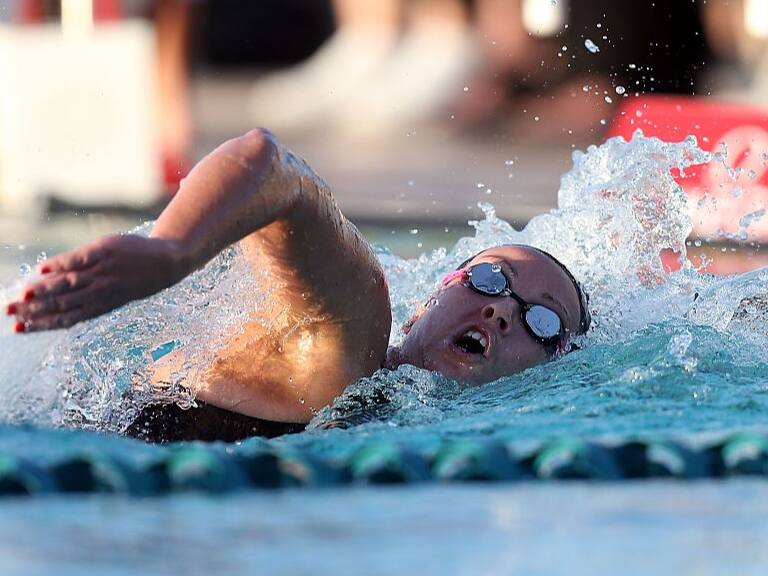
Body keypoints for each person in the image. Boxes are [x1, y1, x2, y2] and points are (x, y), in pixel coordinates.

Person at [4, 129, 590, 441]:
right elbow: (272, 164)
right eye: (491, 280)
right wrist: (171, 250)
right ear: (429, 301)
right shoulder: (347, 342)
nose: (501, 313)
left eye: (543, 322)